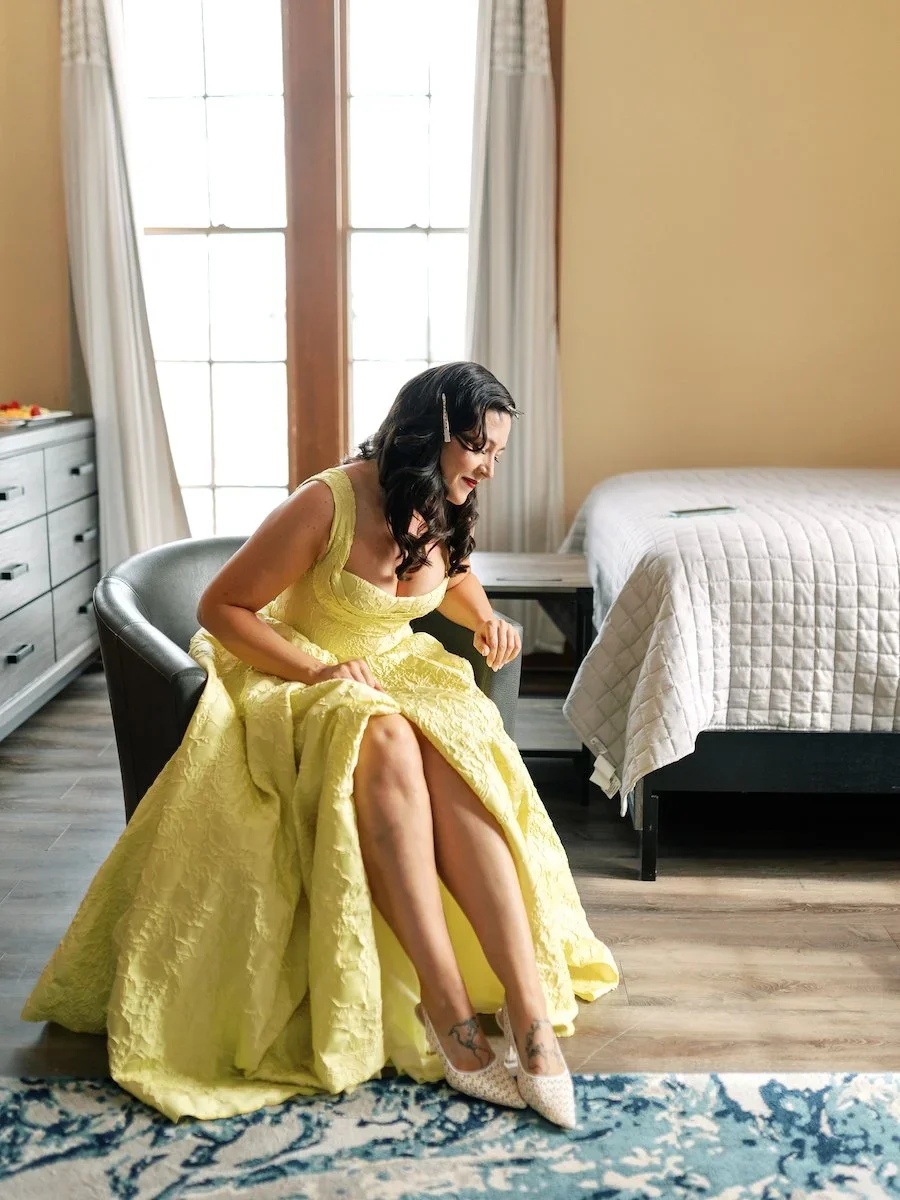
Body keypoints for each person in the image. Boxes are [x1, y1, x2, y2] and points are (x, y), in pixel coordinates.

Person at [22, 361, 619, 1127]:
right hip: (297, 669)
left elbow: (452, 571)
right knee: (387, 737)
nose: (488, 467)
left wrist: (483, 618)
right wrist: (319, 670)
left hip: (396, 665)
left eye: (497, 453)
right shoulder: (327, 501)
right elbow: (221, 605)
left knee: (460, 758)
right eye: (479, 448)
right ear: (430, 434)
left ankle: (531, 1022)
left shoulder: (441, 496)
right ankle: (451, 1020)